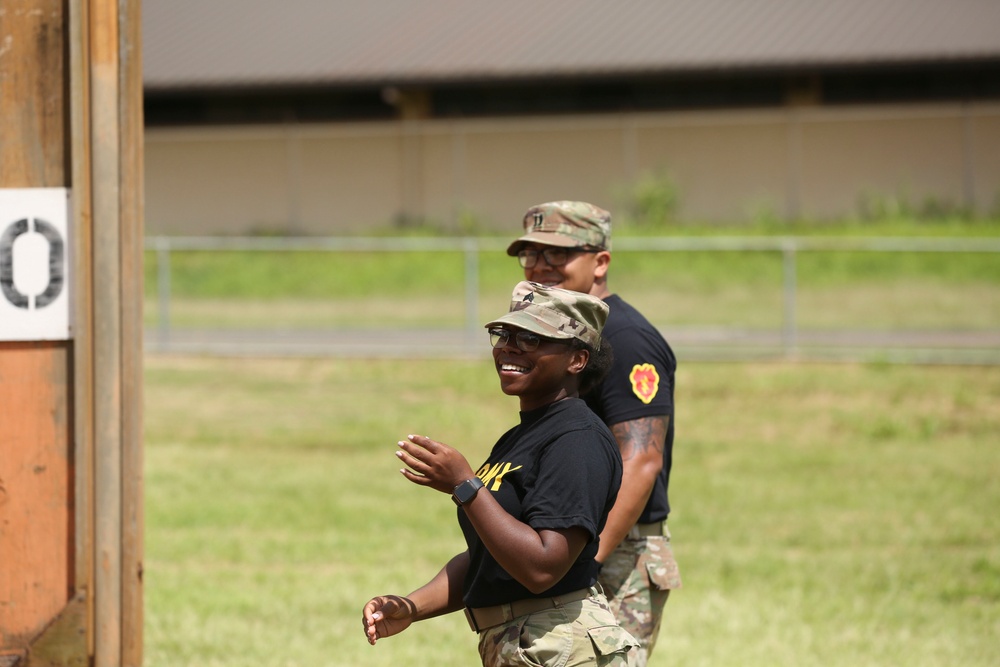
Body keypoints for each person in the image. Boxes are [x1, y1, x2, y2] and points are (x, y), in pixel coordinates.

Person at [362, 281, 639, 667]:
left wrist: (466, 486)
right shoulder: (522, 436)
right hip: (525, 642)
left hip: (560, 645)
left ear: (576, 360)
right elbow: (490, 557)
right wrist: (411, 606)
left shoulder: (578, 440)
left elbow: (542, 567)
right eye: (504, 334)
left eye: (531, 338)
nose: (509, 346)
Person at [506, 201, 681, 667]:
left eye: (557, 254)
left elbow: (641, 459)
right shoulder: (564, 335)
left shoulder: (623, 338)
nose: (541, 266)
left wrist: (586, 561)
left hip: (613, 545)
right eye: (531, 255)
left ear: (600, 262)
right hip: (569, 536)